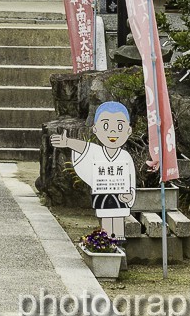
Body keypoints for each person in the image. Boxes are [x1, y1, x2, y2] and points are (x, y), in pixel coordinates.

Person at [52, 102, 137, 241]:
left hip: (121, 197)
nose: (113, 132)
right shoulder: (96, 151)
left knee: (118, 222)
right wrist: (67, 142)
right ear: (95, 129)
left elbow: (131, 179)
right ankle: (108, 245)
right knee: (107, 222)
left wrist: (130, 194)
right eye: (106, 126)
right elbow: (84, 147)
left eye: (120, 126)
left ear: (128, 130)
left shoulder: (125, 157)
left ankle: (118, 246)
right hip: (104, 195)